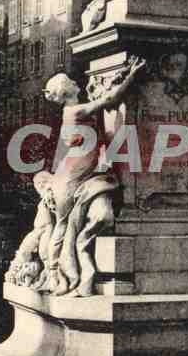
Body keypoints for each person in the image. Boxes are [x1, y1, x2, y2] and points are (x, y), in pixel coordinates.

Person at [43, 56, 145, 297]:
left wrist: (120, 77)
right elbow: (110, 99)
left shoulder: (76, 110)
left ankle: (65, 277)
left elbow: (106, 99)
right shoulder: (75, 111)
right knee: (64, 226)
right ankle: (59, 276)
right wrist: (132, 76)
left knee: (66, 226)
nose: (76, 82)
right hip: (73, 176)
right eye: (70, 81)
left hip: (77, 173)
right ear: (66, 90)